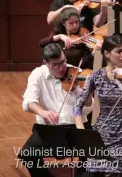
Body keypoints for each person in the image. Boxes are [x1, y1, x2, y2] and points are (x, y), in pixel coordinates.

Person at [72, 35, 122, 177]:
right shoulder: (96, 77)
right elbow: (77, 106)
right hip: (100, 135)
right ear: (107, 54)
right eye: (119, 51)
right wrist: (82, 132)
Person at [19, 43, 93, 177]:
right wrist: (43, 112)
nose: (61, 68)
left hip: (76, 128)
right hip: (49, 129)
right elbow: (29, 101)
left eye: (63, 62)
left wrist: (87, 94)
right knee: (27, 155)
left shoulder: (77, 73)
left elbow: (87, 108)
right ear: (46, 63)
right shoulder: (38, 74)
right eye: (55, 65)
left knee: (93, 156)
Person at [47, 0, 116, 32]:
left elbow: (98, 24)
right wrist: (65, 8)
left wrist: (104, 10)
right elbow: (49, 20)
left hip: (85, 40)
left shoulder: (90, 2)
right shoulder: (59, 1)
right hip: (64, 39)